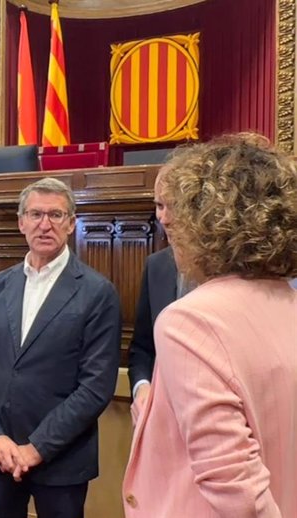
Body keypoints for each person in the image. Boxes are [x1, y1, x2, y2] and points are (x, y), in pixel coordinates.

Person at [123, 134, 297, 517]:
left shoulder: (191, 320)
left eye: (177, 208)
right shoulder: (288, 303)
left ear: (206, 221)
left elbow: (237, 489)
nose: (165, 219)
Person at [0, 177, 122, 518]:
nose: (44, 224)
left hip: (61, 461)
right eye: (35, 214)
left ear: (71, 224)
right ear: (21, 222)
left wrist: (36, 448)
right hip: (0, 456)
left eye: (56, 215)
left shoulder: (97, 292)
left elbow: (96, 387)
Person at [128, 169, 196, 424]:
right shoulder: (157, 265)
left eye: (174, 206)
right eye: (159, 205)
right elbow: (143, 348)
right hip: (161, 419)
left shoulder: (236, 269)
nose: (164, 218)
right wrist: (142, 388)